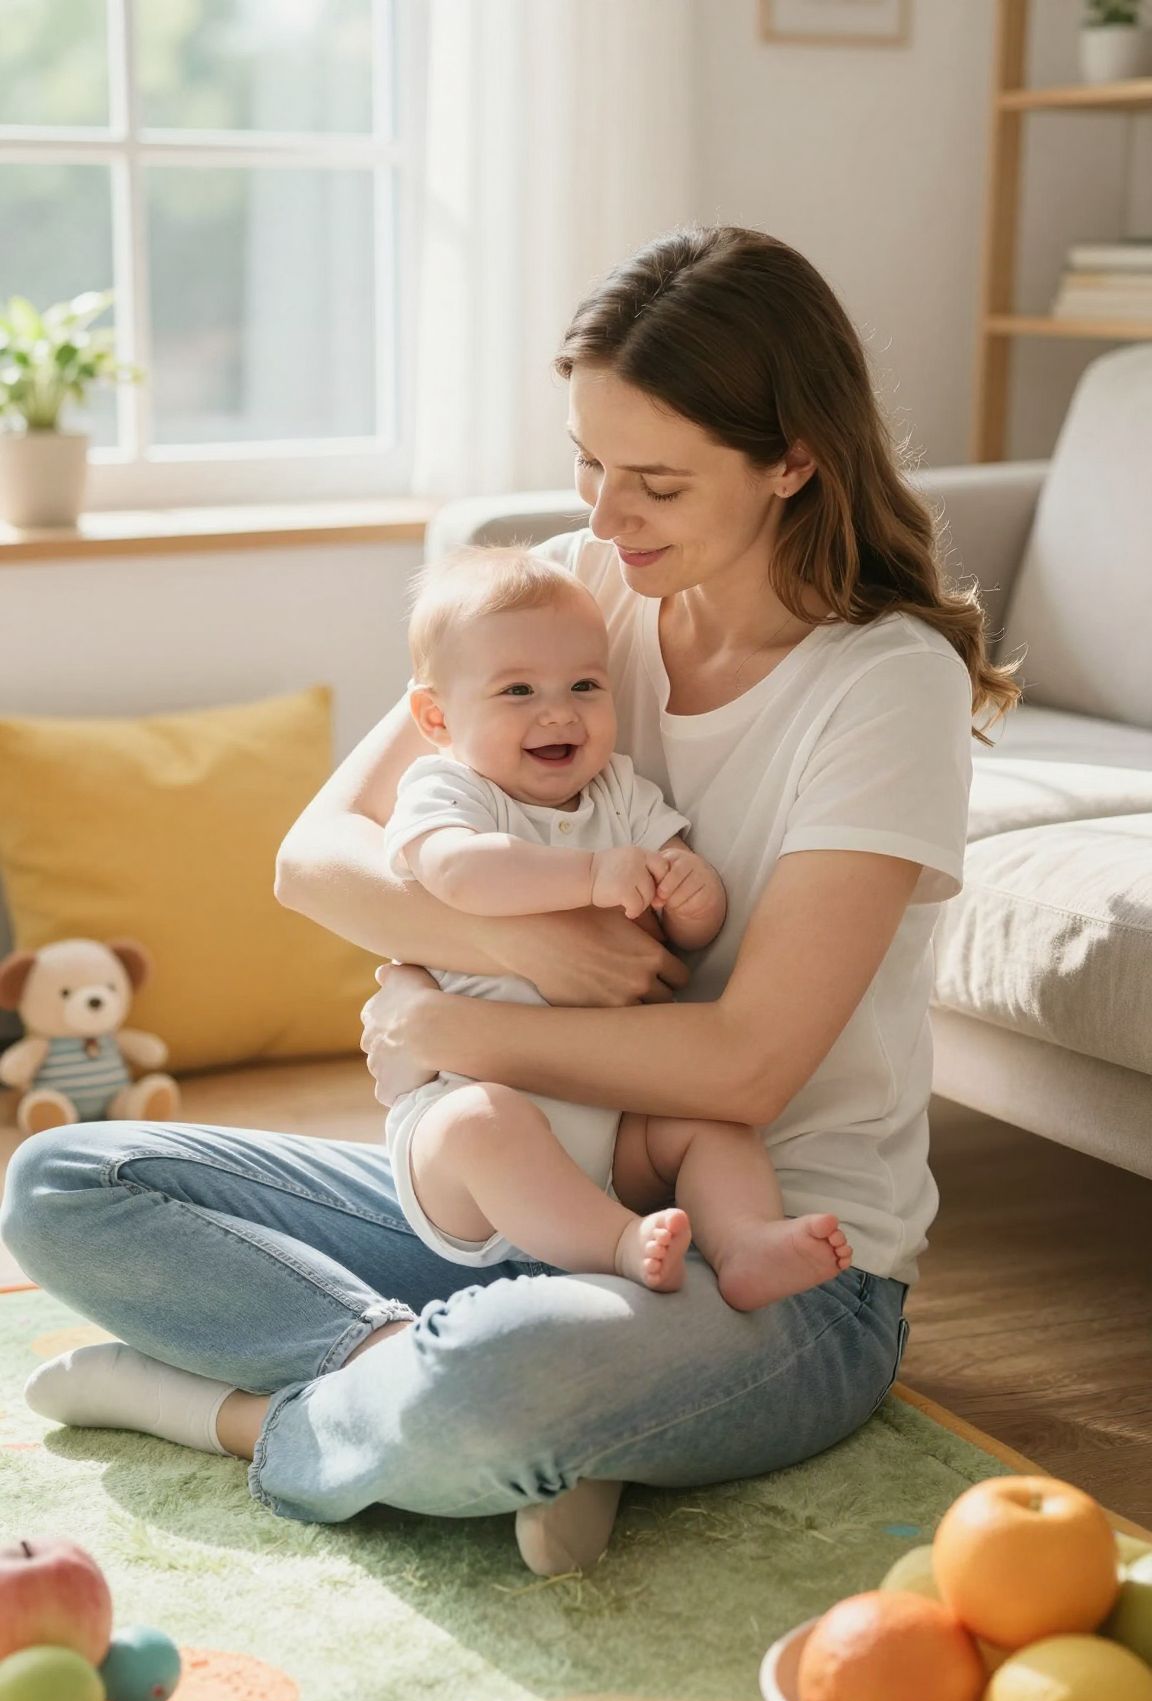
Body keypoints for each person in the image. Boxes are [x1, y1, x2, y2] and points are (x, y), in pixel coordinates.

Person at [2, 224, 1019, 1581]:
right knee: (67, 1178)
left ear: (793, 458)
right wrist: (517, 946)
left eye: (656, 481)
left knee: (502, 1379)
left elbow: (748, 1066)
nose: (607, 513)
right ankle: (408, 1375)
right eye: (590, 462)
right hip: (521, 1187)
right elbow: (316, 855)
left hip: (765, 1263)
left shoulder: (885, 684)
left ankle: (234, 1412)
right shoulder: (580, 587)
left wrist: (455, 1029)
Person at [381, 542, 853, 1304]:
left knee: (714, 1127)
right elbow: (458, 872)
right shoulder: (448, 790)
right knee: (484, 1124)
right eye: (518, 691)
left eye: (584, 685)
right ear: (437, 716)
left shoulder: (619, 791)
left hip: (611, 1124)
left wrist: (693, 896)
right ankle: (619, 1245)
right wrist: (592, 876)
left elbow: (685, 914)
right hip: (466, 1139)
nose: (558, 711)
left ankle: (744, 1241)